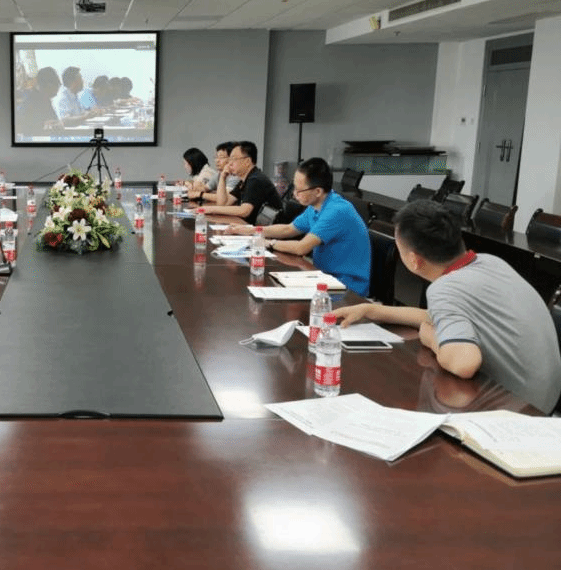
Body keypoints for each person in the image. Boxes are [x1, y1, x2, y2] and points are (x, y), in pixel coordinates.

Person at [333, 200, 561, 414]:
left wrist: (430, 337)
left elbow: (464, 363)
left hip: (519, 411)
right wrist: (371, 310)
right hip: (543, 399)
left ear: (414, 260)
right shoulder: (489, 262)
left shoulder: (444, 288)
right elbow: (442, 317)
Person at [226, 158, 371, 296]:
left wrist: (268, 243)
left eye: (299, 190)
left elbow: (301, 248)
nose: (294, 194)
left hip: (346, 286)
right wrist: (252, 231)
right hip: (324, 277)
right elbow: (289, 229)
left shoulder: (336, 211)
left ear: (318, 191)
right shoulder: (317, 205)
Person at [200, 141, 281, 224]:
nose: (229, 163)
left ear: (247, 161)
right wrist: (223, 177)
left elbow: (244, 211)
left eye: (234, 159)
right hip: (249, 227)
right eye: (230, 159)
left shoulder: (256, 179)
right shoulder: (244, 180)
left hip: (266, 230)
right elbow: (223, 203)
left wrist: (211, 209)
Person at [16, 67, 62, 135]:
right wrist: (43, 124)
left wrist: (57, 123)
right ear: (49, 85)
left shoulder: (45, 99)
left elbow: (54, 120)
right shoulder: (30, 100)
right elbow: (21, 125)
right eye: (56, 86)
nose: (56, 93)